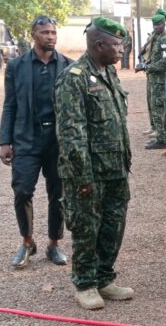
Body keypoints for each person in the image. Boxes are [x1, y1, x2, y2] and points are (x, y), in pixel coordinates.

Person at [54, 17, 134, 310]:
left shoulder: (109, 73)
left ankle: (104, 278)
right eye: (116, 44)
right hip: (87, 174)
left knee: (113, 226)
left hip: (115, 169)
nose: (121, 49)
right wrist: (82, 176)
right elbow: (72, 133)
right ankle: (85, 283)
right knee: (87, 228)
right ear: (99, 45)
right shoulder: (73, 78)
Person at [0, 15, 72, 269]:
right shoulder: (16, 66)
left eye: (53, 32)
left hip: (58, 141)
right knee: (22, 191)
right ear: (34, 35)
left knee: (58, 194)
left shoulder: (68, 65)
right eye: (45, 33)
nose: (50, 36)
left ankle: (54, 244)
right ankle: (28, 242)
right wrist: (5, 141)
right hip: (27, 139)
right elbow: (10, 105)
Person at [136, 14, 166, 150]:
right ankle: (159, 135)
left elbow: (164, 63)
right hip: (152, 78)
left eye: (158, 25)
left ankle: (163, 139)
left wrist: (146, 67)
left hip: (160, 80)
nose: (156, 27)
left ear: (164, 24)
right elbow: (152, 57)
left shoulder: (165, 40)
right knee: (153, 107)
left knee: (159, 107)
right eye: (154, 25)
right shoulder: (155, 38)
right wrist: (144, 64)